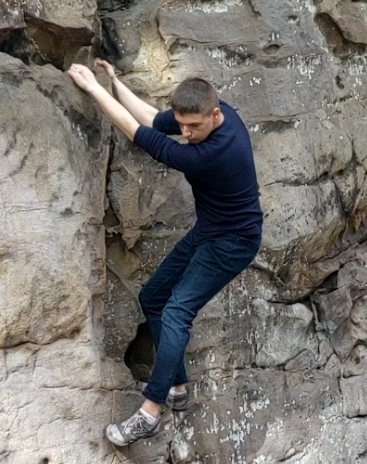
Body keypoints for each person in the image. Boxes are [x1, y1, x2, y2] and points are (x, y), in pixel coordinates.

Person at [67, 61, 263, 446]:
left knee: (177, 310)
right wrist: (116, 83)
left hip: (234, 242)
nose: (187, 134)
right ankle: (176, 384)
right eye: (184, 125)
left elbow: (136, 132)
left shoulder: (209, 154)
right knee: (153, 297)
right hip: (210, 230)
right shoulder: (210, 114)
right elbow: (156, 121)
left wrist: (93, 89)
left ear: (215, 114)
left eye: (194, 127)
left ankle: (149, 413)